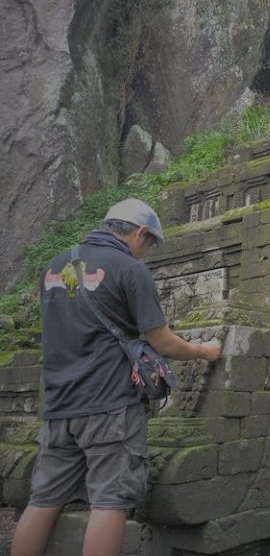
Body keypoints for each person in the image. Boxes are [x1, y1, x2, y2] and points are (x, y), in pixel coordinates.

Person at [11, 198, 222, 556]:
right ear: (139, 232)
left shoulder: (56, 265)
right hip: (109, 406)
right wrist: (205, 351)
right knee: (110, 502)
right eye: (150, 242)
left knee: (44, 499)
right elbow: (162, 342)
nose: (147, 252)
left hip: (59, 407)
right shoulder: (128, 269)